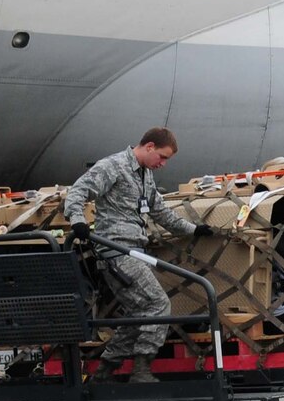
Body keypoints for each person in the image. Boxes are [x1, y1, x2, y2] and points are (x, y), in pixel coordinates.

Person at [63, 128, 214, 384]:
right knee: (158, 305)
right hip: (117, 251)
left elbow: (161, 213)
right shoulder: (113, 166)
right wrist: (78, 221)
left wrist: (194, 229)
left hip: (135, 250)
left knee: (140, 312)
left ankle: (105, 371)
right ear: (150, 146)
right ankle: (141, 369)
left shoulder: (145, 175)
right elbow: (78, 192)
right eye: (162, 157)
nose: (163, 164)